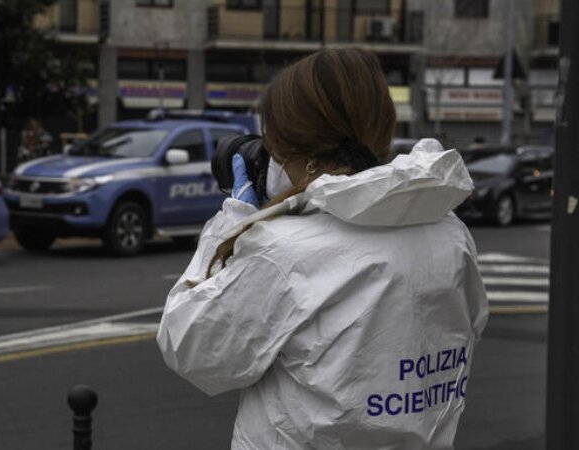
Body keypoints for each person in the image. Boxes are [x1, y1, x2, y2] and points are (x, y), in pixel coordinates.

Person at [157, 48, 488, 450]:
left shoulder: (284, 250)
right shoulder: (450, 233)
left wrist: (234, 219)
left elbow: (191, 348)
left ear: (297, 152)